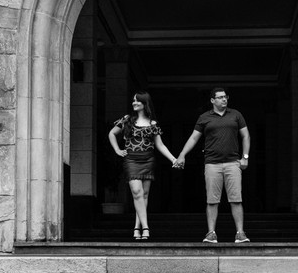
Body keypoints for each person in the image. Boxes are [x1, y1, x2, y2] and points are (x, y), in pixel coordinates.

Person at [173, 87, 251, 243]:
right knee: (212, 200)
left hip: (233, 163)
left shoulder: (236, 115)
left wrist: (245, 157)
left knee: (236, 199)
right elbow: (194, 138)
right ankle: (211, 233)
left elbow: (246, 136)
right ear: (212, 100)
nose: (224, 99)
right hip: (211, 164)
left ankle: (240, 233)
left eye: (226, 97)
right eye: (220, 97)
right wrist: (182, 155)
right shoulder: (204, 117)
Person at [107, 91, 179, 240]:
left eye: (137, 101)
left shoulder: (153, 123)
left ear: (144, 103)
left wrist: (173, 159)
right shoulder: (127, 120)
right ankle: (145, 227)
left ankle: (136, 228)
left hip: (148, 160)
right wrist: (117, 150)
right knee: (137, 192)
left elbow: (160, 145)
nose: (134, 103)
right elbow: (112, 134)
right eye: (133, 100)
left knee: (144, 195)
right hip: (131, 160)